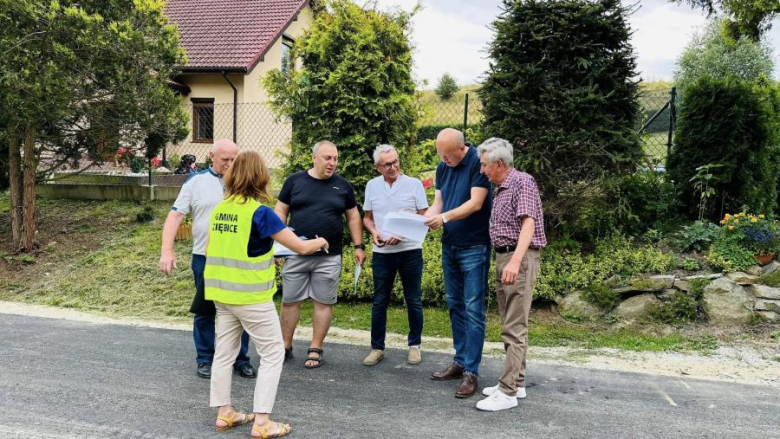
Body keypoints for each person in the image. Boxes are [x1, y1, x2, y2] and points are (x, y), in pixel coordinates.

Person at [205, 151, 327, 438]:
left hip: (222, 294)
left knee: (223, 353)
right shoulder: (261, 212)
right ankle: (262, 423)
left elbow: (216, 248)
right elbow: (299, 247)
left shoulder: (220, 208)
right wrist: (320, 241)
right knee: (273, 354)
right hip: (251, 296)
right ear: (260, 177)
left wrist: (264, 252)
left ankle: (224, 413)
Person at [159, 139, 256, 380]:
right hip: (205, 258)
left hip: (237, 259)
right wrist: (167, 251)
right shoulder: (196, 182)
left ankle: (240, 359)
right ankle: (205, 358)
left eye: (234, 159)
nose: (230, 164)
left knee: (240, 310)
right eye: (225, 159)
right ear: (211, 156)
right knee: (205, 310)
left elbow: (255, 218)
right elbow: (174, 217)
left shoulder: (244, 183)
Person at [274, 140, 366, 368]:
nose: (332, 163)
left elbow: (353, 217)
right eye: (328, 158)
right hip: (295, 253)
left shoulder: (343, 186)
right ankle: (285, 346)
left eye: (335, 158)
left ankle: (316, 347)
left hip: (329, 256)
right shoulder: (294, 181)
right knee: (290, 301)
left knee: (323, 302)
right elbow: (280, 211)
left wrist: (358, 246)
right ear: (314, 158)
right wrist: (276, 246)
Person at [474, 138, 546, 412]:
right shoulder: (502, 187)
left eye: (484, 165)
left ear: (499, 164)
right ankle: (518, 381)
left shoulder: (521, 182)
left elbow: (529, 222)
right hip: (505, 256)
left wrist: (515, 262)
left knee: (514, 327)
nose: (482, 170)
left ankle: (507, 392)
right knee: (510, 321)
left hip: (518, 257)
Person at [424, 128, 492, 398]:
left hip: (475, 245)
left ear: (461, 149)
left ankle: (471, 372)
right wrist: (424, 221)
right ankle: (460, 360)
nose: (444, 160)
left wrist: (444, 219)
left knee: (473, 309)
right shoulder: (443, 165)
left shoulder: (477, 161)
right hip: (449, 245)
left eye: (448, 156)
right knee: (454, 305)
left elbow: (476, 203)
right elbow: (437, 204)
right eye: (441, 156)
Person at [361, 145, 429, 366]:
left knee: (413, 300)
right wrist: (373, 232)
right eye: (387, 164)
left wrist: (401, 235)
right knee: (380, 301)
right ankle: (377, 348)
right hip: (382, 252)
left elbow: (424, 218)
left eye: (396, 161)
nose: (393, 167)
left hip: (410, 250)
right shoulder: (372, 186)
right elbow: (367, 218)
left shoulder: (414, 184)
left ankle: (414, 346)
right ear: (377, 166)